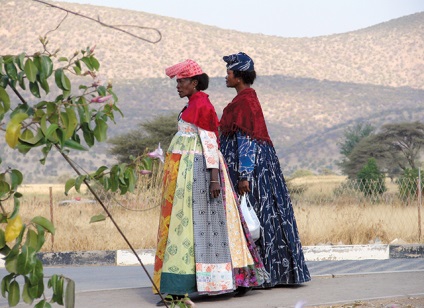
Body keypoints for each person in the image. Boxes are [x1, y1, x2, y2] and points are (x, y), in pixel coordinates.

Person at [153, 59, 267, 305]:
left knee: (191, 226)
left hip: (200, 175)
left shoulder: (202, 105)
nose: (178, 86)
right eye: (177, 81)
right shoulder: (192, 104)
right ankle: (183, 285)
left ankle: (183, 287)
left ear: (194, 83)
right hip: (187, 175)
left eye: (181, 81)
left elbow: (210, 143)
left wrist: (214, 179)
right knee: (186, 226)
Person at [219, 52, 311, 288]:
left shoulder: (244, 102)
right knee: (265, 217)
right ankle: (272, 273)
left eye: (229, 72)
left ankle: (261, 276)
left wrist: (244, 176)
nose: (226, 76)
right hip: (259, 168)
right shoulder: (247, 99)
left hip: (253, 172)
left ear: (238, 77)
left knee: (256, 217)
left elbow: (246, 139)